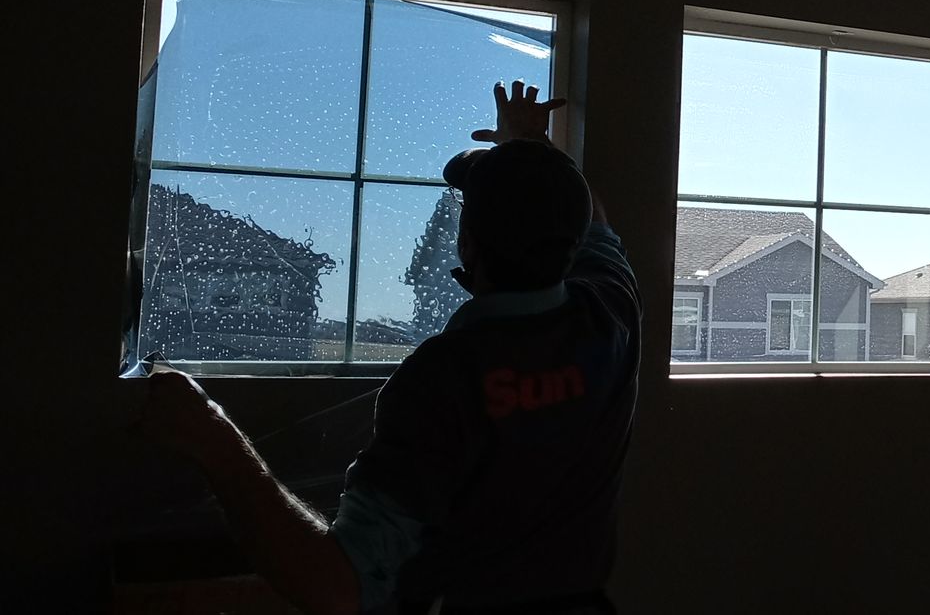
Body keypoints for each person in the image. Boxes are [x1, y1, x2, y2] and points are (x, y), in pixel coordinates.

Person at [140, 80, 642, 614]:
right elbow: (596, 224)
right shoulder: (610, 313)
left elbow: (339, 589)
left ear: (467, 243)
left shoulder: (443, 378)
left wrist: (212, 434)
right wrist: (533, 149)